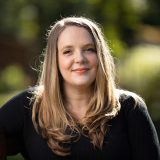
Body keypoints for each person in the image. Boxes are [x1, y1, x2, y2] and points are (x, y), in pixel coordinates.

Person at [0, 16, 160, 160]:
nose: (80, 58)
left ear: (100, 57)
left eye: (89, 49)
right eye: (68, 51)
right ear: (55, 61)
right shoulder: (30, 105)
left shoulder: (130, 107)